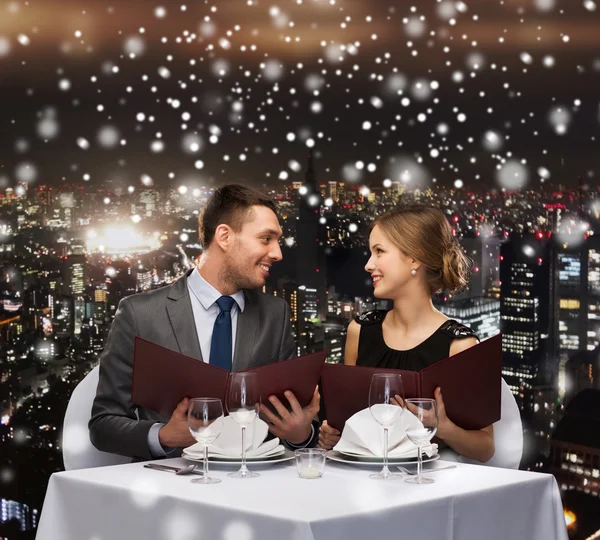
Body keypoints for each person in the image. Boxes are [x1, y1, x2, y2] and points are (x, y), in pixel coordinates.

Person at [90, 184, 319, 460]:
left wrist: (301, 436)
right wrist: (164, 435)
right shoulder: (140, 314)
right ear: (224, 236)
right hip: (170, 488)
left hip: (251, 485)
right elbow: (103, 425)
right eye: (266, 239)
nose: (278, 253)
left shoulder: (275, 314)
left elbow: (289, 420)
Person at [318, 204, 495, 463]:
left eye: (379, 251)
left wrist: (444, 428)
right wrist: (333, 435)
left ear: (415, 258)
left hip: (426, 489)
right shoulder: (360, 330)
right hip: (362, 485)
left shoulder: (460, 345)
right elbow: (350, 426)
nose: (369, 265)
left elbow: (485, 448)